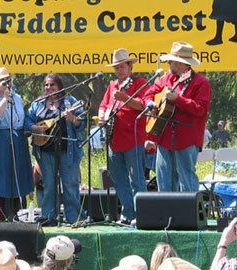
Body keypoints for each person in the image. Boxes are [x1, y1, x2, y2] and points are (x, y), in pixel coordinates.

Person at [143, 41, 211, 192]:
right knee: (163, 179)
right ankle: (166, 213)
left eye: (171, 61)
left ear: (182, 64)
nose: (168, 63)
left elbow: (201, 109)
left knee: (186, 178)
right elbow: (149, 93)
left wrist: (178, 99)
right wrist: (151, 104)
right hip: (164, 136)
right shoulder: (167, 79)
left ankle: (188, 213)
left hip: (187, 138)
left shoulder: (201, 82)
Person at [24, 73, 86, 225]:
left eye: (52, 84)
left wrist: (72, 118)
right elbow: (27, 120)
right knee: (49, 186)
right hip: (45, 151)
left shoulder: (70, 102)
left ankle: (74, 218)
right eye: (46, 85)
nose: (48, 87)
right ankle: (48, 217)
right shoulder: (38, 104)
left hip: (67, 150)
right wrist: (34, 128)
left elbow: (81, 124)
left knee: (70, 185)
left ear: (59, 86)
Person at [98, 48, 148, 224]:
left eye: (121, 67)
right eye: (116, 68)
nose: (119, 70)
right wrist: (102, 116)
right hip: (114, 139)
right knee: (118, 178)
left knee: (137, 179)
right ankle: (128, 213)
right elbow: (103, 105)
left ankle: (142, 214)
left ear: (130, 66)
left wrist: (125, 97)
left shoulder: (140, 82)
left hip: (133, 138)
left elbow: (143, 105)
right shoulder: (112, 85)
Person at [0, 67, 33, 220]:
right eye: (3, 80)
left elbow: (20, 118)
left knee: (17, 176)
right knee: (2, 178)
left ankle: (19, 213)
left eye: (8, 79)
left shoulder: (17, 97)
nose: (7, 82)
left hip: (17, 139)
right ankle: (1, 215)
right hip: (0, 140)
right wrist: (5, 99)